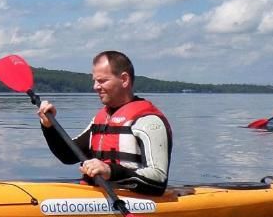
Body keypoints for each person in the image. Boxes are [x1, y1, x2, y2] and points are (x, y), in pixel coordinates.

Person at [36, 50, 172, 196]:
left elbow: (159, 182)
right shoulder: (100, 119)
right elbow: (67, 155)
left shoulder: (149, 122)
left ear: (124, 80)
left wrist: (110, 171)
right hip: (95, 196)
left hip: (135, 201)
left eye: (102, 81)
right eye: (94, 81)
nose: (95, 86)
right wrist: (49, 127)